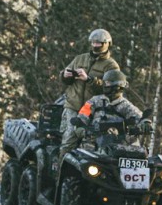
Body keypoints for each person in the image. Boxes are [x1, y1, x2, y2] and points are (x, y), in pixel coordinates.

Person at [57, 28, 121, 165]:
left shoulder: (111, 65)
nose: (95, 45)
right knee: (68, 141)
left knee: (91, 145)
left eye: (99, 43)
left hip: (93, 110)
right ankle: (61, 173)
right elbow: (64, 78)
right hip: (73, 105)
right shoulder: (80, 58)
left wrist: (89, 79)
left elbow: (111, 88)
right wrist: (65, 75)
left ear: (107, 44)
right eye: (93, 42)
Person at [62, 69, 151, 155]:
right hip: (94, 145)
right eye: (104, 82)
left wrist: (145, 123)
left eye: (108, 83)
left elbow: (139, 116)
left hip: (120, 146)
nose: (105, 85)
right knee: (75, 155)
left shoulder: (126, 105)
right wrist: (83, 129)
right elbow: (82, 116)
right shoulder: (94, 101)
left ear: (118, 86)